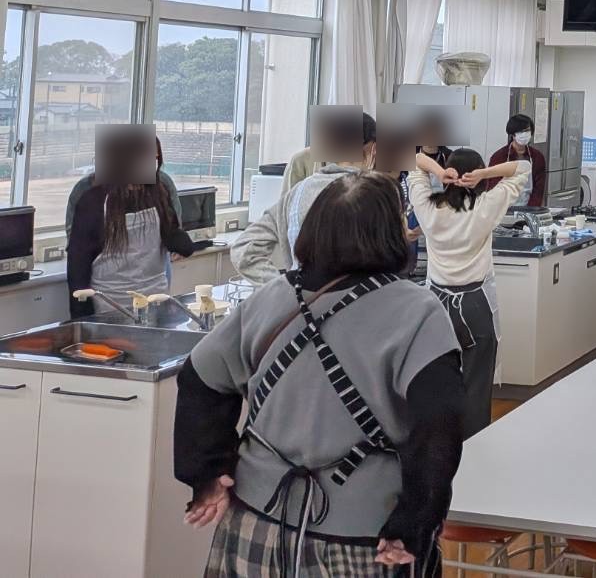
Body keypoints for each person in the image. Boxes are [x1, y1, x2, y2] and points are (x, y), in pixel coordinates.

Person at [175, 171, 463, 576]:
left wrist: (207, 473)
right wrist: (417, 518)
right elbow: (440, 423)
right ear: (390, 232)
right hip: (367, 537)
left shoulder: (270, 297)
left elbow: (199, 377)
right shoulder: (418, 311)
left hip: (255, 522)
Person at [407, 147, 530, 437]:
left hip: (437, 306)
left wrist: (439, 173)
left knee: (437, 381)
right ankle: (476, 446)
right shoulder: (486, 207)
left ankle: (438, 444)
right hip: (475, 305)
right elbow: (523, 167)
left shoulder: (428, 208)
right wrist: (484, 174)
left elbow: (412, 159)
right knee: (476, 385)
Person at [232, 113, 377, 285]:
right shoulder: (376, 195)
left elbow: (244, 249)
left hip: (302, 297)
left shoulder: (297, 192)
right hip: (360, 297)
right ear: (372, 150)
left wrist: (283, 287)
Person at [68, 167, 195, 318]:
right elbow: (78, 266)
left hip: (154, 302)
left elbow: (173, 235)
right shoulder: (92, 199)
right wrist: (82, 318)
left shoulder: (158, 190)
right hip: (112, 305)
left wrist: (182, 242)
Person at [64, 135, 183, 240]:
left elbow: (174, 225)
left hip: (154, 256)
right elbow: (74, 234)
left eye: (155, 158)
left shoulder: (163, 183)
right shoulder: (86, 187)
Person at [485, 113, 545, 208]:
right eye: (521, 131)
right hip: (503, 208)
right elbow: (493, 186)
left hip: (529, 208)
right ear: (512, 134)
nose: (524, 134)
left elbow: (538, 189)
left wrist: (531, 210)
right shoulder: (499, 157)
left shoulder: (537, 157)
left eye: (527, 131)